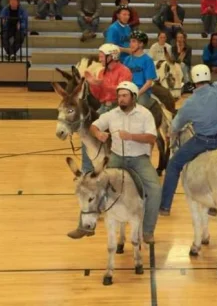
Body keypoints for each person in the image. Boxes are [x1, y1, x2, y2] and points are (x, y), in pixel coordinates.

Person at [159, 22, 217, 215]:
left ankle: (165, 206)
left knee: (174, 165)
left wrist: (171, 133)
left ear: (193, 80)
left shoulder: (189, 104)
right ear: (208, 77)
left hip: (201, 142)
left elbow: (175, 126)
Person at [67, 81, 162, 244]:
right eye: (119, 96)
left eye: (124, 96)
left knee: (155, 189)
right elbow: (94, 126)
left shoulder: (145, 114)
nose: (121, 99)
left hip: (140, 159)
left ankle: (147, 230)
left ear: (133, 97)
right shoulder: (112, 114)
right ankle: (84, 227)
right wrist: (98, 134)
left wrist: (131, 136)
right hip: (117, 158)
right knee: (92, 184)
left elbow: (152, 137)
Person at [81, 43, 132, 173]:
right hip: (104, 107)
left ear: (112, 56)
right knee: (87, 134)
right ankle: (87, 169)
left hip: (119, 109)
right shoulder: (102, 72)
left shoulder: (124, 71)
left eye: (102, 56)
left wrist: (100, 83)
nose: (100, 59)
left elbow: (122, 92)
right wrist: (93, 84)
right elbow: (98, 95)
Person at [123, 31, 158, 109]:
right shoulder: (127, 59)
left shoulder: (147, 60)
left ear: (141, 44)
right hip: (127, 90)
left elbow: (149, 82)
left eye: (134, 41)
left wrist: (136, 94)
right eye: (130, 41)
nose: (130, 44)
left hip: (142, 92)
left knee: (138, 107)